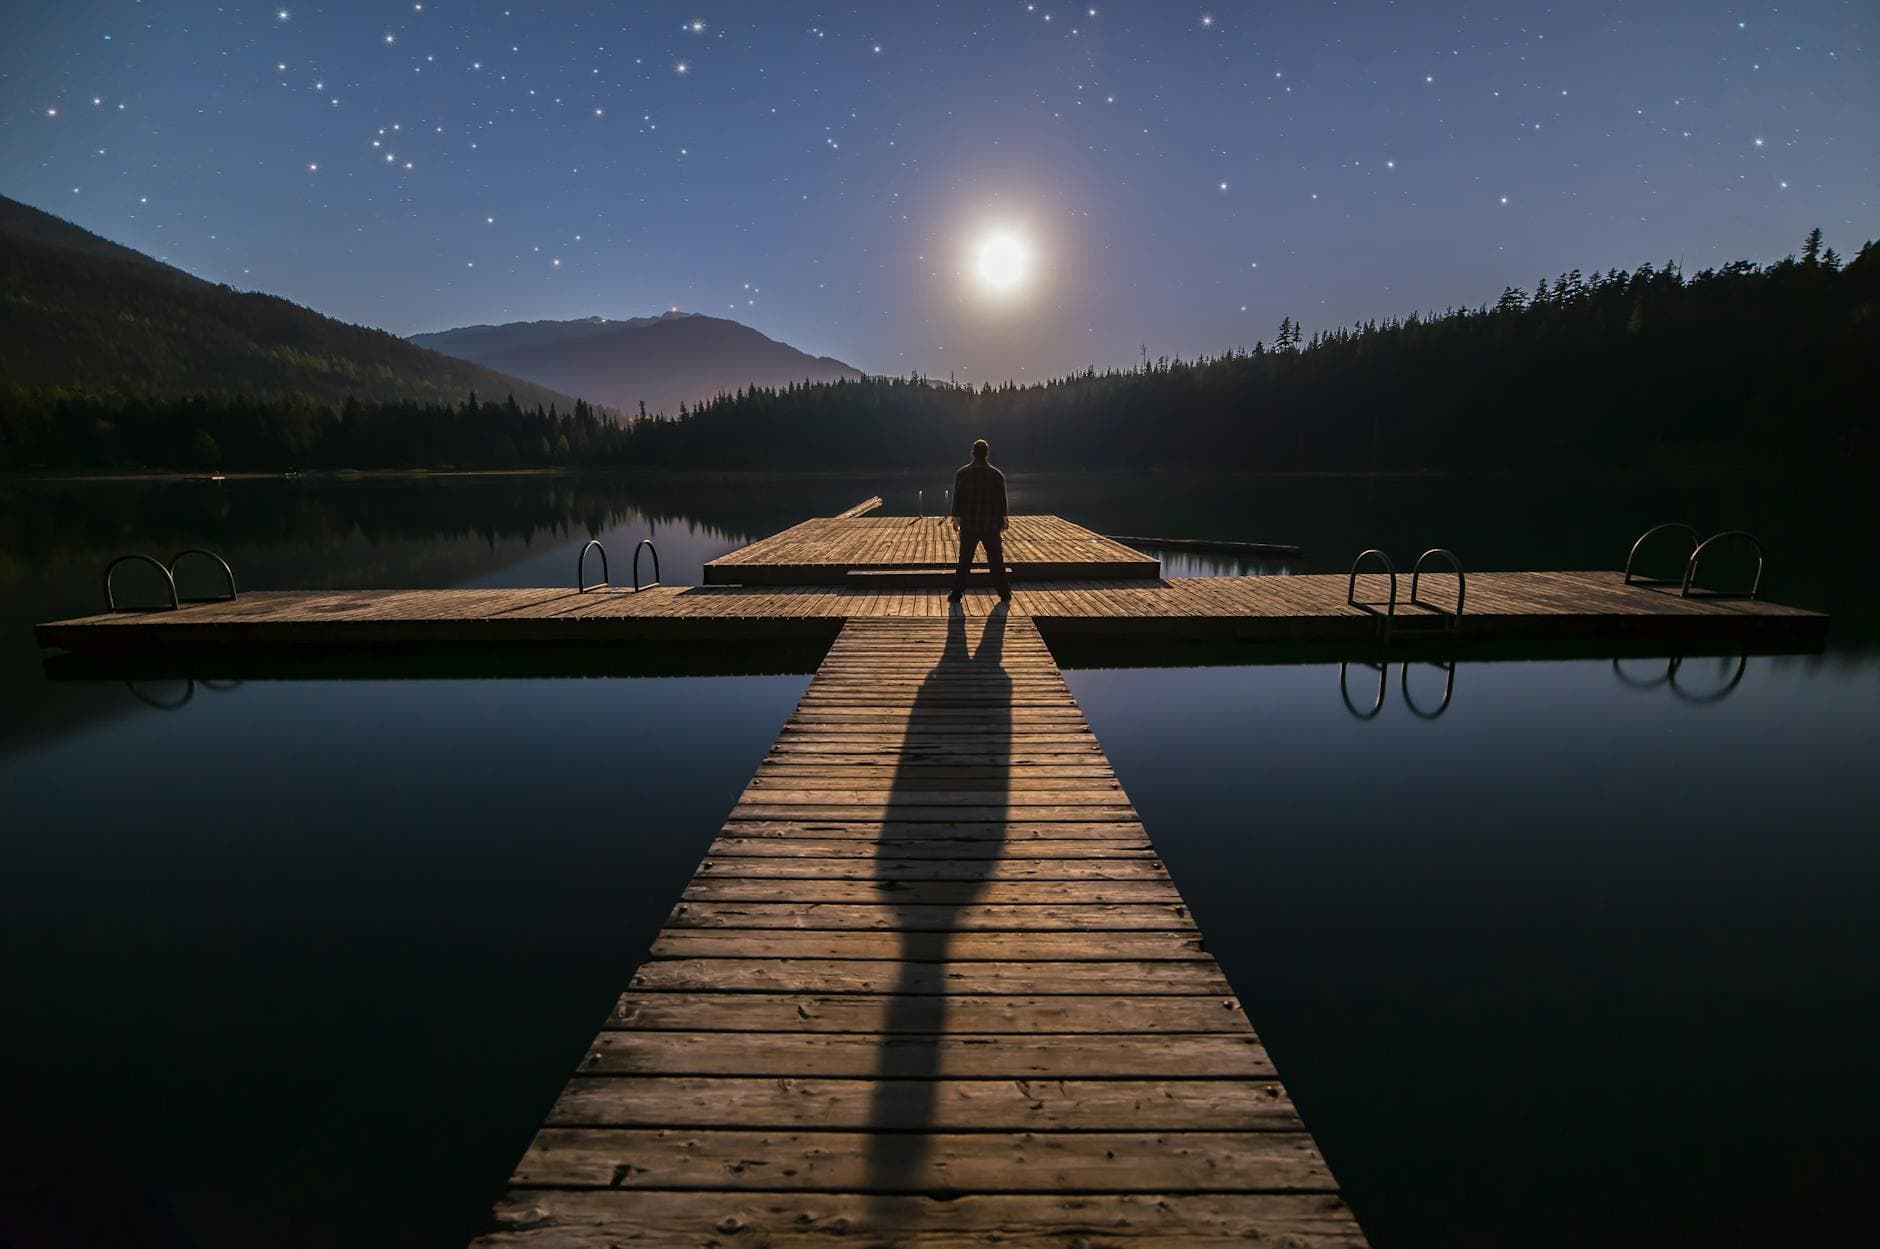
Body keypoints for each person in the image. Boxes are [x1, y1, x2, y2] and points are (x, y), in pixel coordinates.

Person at [948, 438, 1011, 602]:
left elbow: (958, 499)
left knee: (964, 561)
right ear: (987, 454)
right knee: (996, 561)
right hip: (991, 525)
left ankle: (956, 594)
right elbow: (1002, 501)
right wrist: (1004, 519)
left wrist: (955, 518)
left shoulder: (962, 473)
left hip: (969, 525)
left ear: (972, 453)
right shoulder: (996, 474)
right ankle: (1004, 593)